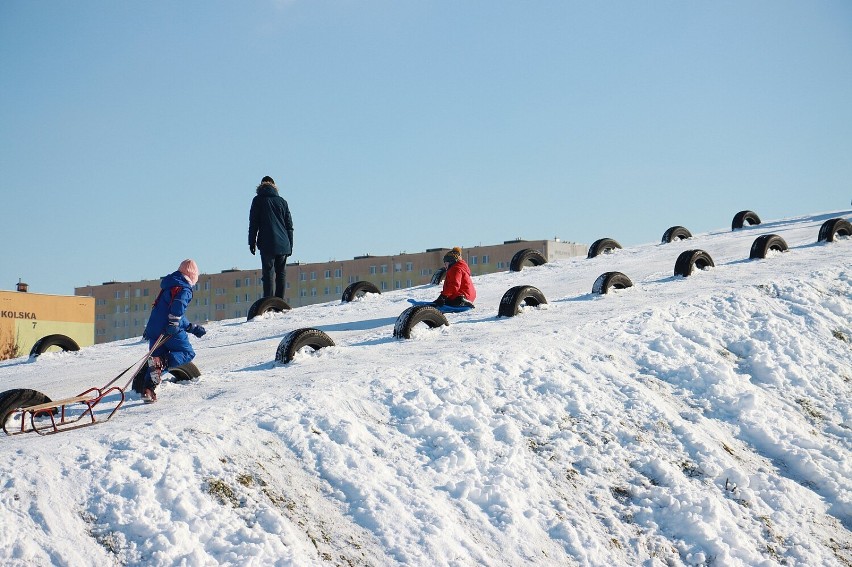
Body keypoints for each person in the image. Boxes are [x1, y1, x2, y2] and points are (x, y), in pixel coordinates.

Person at [135, 259, 206, 403]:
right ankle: (161, 361)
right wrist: (173, 324)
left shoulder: (169, 286)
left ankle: (148, 390)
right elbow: (177, 309)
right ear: (193, 276)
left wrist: (192, 328)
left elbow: (171, 312)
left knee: (154, 366)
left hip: (154, 329)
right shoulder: (184, 288)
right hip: (169, 330)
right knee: (187, 353)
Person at [248, 175, 294, 299]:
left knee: (268, 274)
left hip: (267, 243)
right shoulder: (282, 202)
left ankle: (268, 302)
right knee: (281, 274)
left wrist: (251, 242)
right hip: (283, 243)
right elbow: (289, 226)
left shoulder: (258, 200)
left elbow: (254, 223)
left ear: (261, 186)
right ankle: (280, 303)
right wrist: (290, 246)